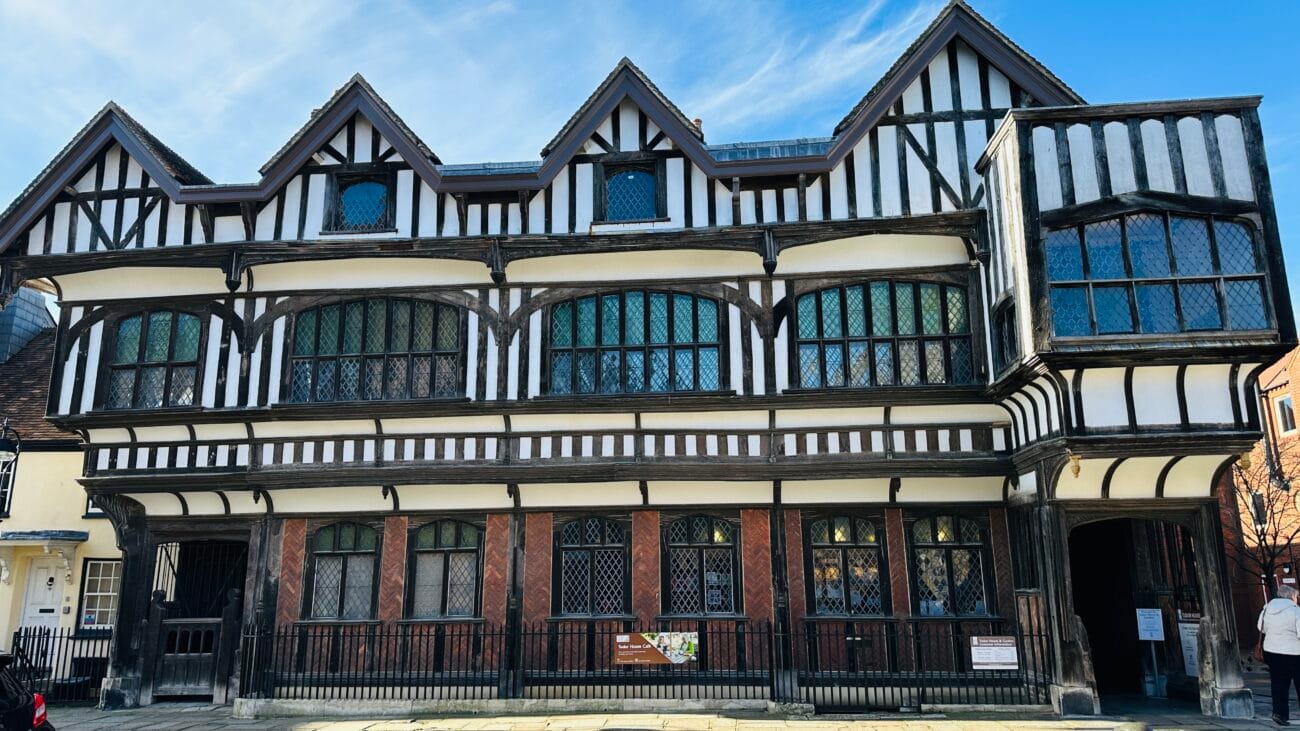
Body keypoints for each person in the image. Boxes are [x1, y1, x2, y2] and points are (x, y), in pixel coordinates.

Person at [1259, 584, 1300, 725]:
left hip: (1272, 651)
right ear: (1290, 597)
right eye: (1296, 596)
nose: (1297, 599)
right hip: (1294, 652)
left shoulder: (1267, 609)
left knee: (1278, 684)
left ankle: (1279, 714)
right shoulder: (1296, 611)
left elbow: (1261, 627)